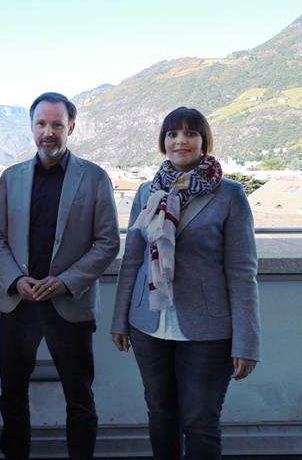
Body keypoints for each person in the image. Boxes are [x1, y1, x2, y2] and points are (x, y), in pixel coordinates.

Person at [110, 106, 260, 460]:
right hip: (148, 325)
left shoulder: (229, 194)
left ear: (203, 141)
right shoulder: (147, 191)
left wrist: (247, 341)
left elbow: (242, 271)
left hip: (208, 331)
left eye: (190, 133)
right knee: (160, 414)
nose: (181, 141)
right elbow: (132, 260)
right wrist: (119, 320)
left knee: (200, 421)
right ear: (163, 142)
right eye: (172, 134)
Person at [0, 92, 120, 460]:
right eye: (41, 124)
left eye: (56, 124)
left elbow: (108, 242)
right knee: (11, 396)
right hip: (19, 304)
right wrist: (15, 280)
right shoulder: (11, 178)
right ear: (31, 127)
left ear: (70, 128)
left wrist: (65, 282)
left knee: (80, 398)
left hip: (69, 305)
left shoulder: (94, 178)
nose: (48, 131)